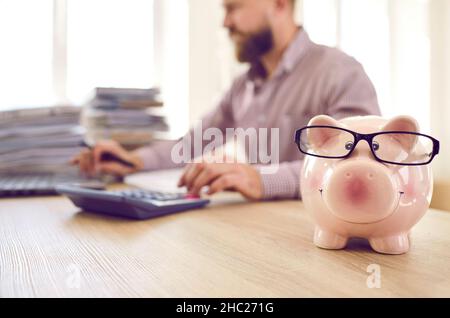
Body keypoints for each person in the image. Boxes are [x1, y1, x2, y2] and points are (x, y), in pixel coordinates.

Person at [72, 0, 381, 200]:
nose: (225, 23)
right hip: (260, 231)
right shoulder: (242, 87)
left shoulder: (340, 72)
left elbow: (354, 165)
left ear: (279, 4)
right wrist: (133, 160)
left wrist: (260, 179)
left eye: (233, 7)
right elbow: (193, 144)